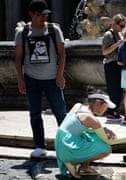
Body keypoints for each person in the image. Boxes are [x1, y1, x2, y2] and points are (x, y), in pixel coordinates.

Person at [15, 0, 67, 157]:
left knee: (60, 112)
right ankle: (39, 146)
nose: (43, 18)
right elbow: (17, 58)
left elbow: (62, 53)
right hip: (31, 78)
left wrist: (60, 75)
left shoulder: (53, 29)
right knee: (35, 113)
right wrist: (20, 79)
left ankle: (66, 145)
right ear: (31, 14)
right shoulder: (22, 32)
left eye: (45, 15)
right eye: (40, 15)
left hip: (52, 78)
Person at [55, 89, 126, 178]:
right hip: (67, 146)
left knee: (93, 136)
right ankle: (72, 162)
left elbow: (74, 125)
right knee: (106, 149)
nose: (106, 109)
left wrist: (103, 129)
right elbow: (110, 142)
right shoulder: (91, 119)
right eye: (105, 106)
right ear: (97, 103)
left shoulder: (78, 106)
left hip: (61, 141)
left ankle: (84, 167)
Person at [102, 14, 126, 121]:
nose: (122, 28)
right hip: (111, 64)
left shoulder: (119, 34)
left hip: (118, 64)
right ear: (114, 24)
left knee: (119, 90)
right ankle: (110, 112)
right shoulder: (108, 35)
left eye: (123, 26)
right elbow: (104, 51)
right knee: (113, 90)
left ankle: (115, 111)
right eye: (121, 26)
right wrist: (117, 44)